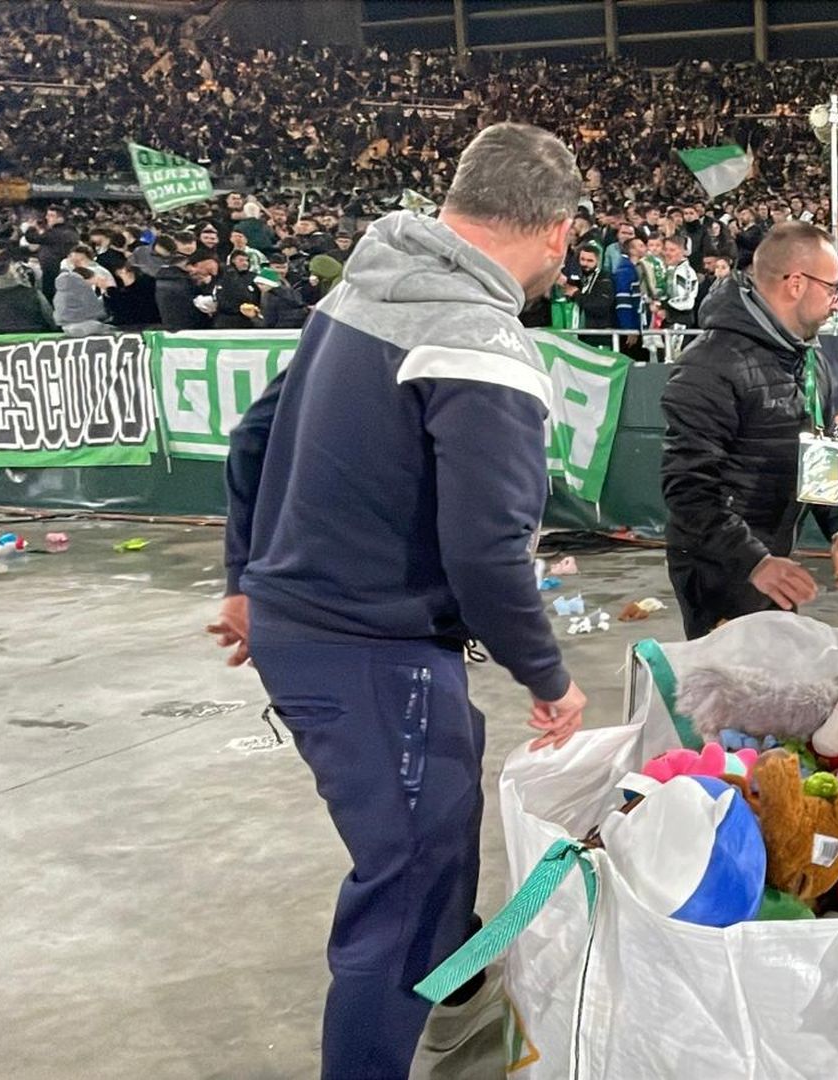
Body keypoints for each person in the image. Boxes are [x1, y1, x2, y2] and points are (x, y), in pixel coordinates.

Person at [209, 122, 589, 1080]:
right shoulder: (481, 341)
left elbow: (253, 439)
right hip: (373, 650)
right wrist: (548, 677)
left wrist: (247, 579)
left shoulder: (359, 288)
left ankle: (458, 1016)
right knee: (410, 887)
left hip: (311, 630)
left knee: (432, 862)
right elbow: (486, 552)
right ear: (557, 231)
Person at [658, 221, 838, 639]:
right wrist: (754, 561)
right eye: (832, 288)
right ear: (795, 283)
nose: (836, 303)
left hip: (772, 557)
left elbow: (818, 453)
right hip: (717, 567)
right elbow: (689, 488)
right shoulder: (709, 363)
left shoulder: (810, 360)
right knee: (732, 677)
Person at [0, 260, 59, 335]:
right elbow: (48, 315)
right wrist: (55, 330)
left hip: (2, 336)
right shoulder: (32, 292)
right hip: (35, 335)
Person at [52, 246, 116, 336]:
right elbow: (96, 310)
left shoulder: (63, 288)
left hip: (67, 326)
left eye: (78, 260)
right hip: (87, 324)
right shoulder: (80, 285)